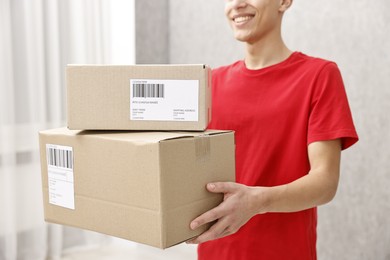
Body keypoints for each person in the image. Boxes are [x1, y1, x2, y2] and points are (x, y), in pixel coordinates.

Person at [186, 0, 359, 259]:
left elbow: (325, 182)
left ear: (284, 2)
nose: (237, 4)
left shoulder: (319, 76)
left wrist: (257, 201)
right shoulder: (211, 84)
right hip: (215, 253)